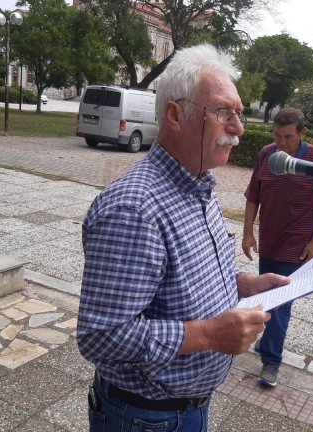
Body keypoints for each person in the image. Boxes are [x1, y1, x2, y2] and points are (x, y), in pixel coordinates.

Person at [77, 43, 290, 432]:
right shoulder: (134, 209)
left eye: (238, 114)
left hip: (186, 409)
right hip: (145, 418)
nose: (238, 128)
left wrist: (242, 284)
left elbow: (185, 277)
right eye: (223, 113)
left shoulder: (199, 185)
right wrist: (208, 334)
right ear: (176, 115)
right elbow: (100, 336)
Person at [242, 107, 313, 387]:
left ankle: (271, 362)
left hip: (296, 246)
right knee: (267, 297)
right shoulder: (266, 155)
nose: (281, 143)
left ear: (302, 133)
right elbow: (253, 196)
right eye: (277, 136)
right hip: (269, 241)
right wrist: (248, 232)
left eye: (288, 137)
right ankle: (268, 343)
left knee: (280, 304)